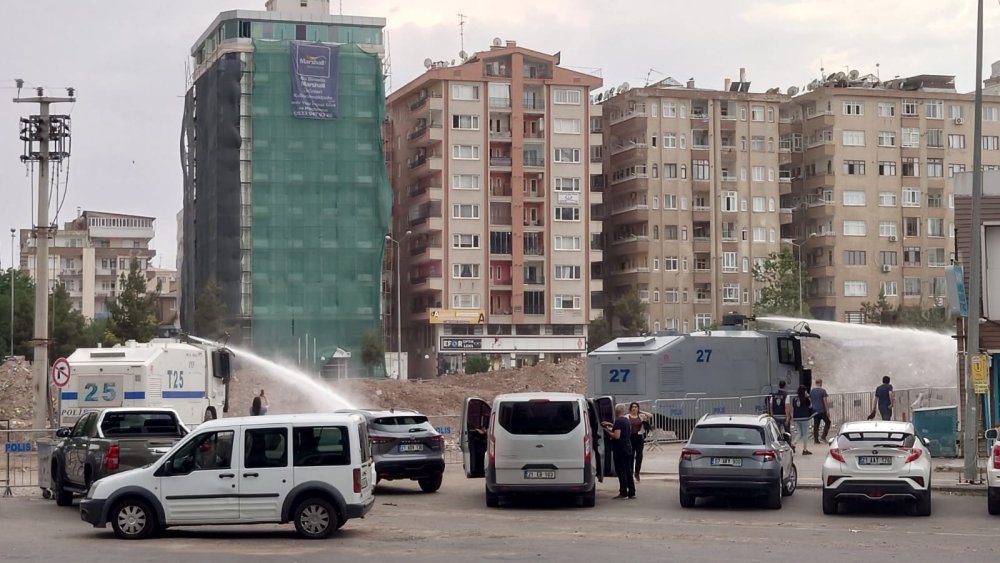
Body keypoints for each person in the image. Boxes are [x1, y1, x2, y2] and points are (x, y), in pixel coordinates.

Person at [602, 404, 635, 499]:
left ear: (616, 411)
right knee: (628, 470)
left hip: (620, 449)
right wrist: (611, 425)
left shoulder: (618, 421)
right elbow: (623, 430)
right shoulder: (626, 421)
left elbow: (617, 436)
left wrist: (607, 431)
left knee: (621, 471)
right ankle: (631, 492)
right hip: (628, 448)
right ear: (623, 411)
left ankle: (623, 492)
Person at [627, 402, 653, 482]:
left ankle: (637, 472)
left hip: (639, 438)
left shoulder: (641, 416)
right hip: (631, 437)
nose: (634, 408)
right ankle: (630, 473)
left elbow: (650, 415)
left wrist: (641, 411)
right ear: (630, 408)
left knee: (639, 456)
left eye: (636, 407)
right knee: (631, 456)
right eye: (633, 407)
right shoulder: (627, 417)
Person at [791, 385, 813, 455]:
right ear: (805, 391)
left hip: (797, 417)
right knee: (806, 433)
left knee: (799, 432)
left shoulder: (794, 399)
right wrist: (808, 397)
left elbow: (794, 406)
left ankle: (793, 444)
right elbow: (810, 406)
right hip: (804, 417)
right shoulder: (806, 398)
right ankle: (805, 449)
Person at [809, 379, 831, 444]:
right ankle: (823, 437)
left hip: (814, 411)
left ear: (816, 383)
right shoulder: (823, 391)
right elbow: (825, 401)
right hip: (822, 410)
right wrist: (827, 410)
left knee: (816, 425)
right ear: (820, 383)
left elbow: (810, 400)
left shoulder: (812, 391)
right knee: (828, 422)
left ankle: (816, 440)